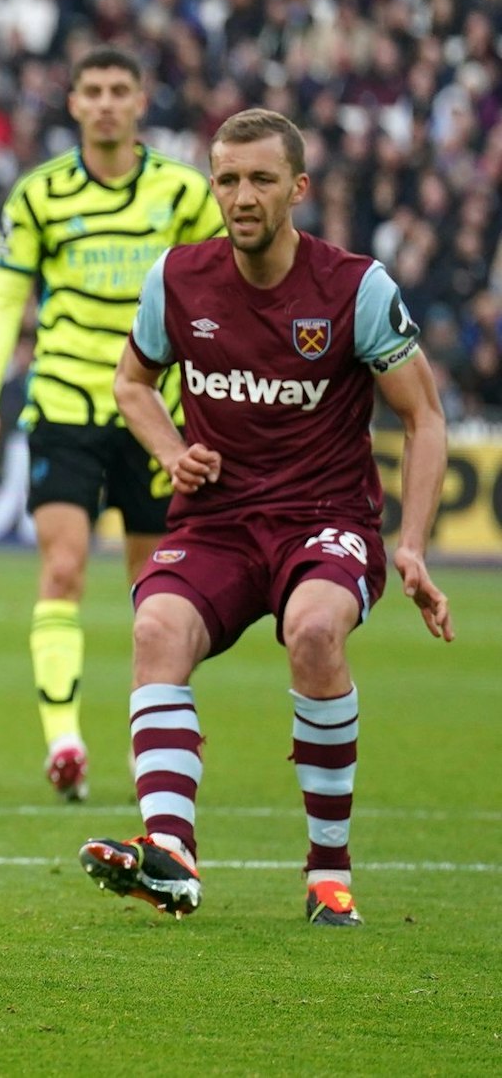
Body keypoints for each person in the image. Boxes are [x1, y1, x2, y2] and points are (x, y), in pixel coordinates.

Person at [79, 109, 453, 925]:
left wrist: (414, 543)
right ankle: (171, 853)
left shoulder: (355, 287)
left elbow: (425, 416)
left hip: (325, 518)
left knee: (314, 632)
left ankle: (328, 871)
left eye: (260, 180)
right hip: (216, 520)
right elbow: (133, 383)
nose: (241, 196)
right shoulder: (177, 279)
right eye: (227, 179)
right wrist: (174, 450)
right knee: (155, 631)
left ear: (298, 188)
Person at [0, 47, 225, 802]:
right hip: (65, 408)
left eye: (121, 90)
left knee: (157, 594)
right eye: (94, 91)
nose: (107, 103)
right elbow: (4, 300)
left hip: (157, 417)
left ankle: (158, 741)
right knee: (62, 568)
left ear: (141, 100)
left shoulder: (181, 192)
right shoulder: (40, 194)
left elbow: (222, 294)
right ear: (73, 103)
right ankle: (66, 743)